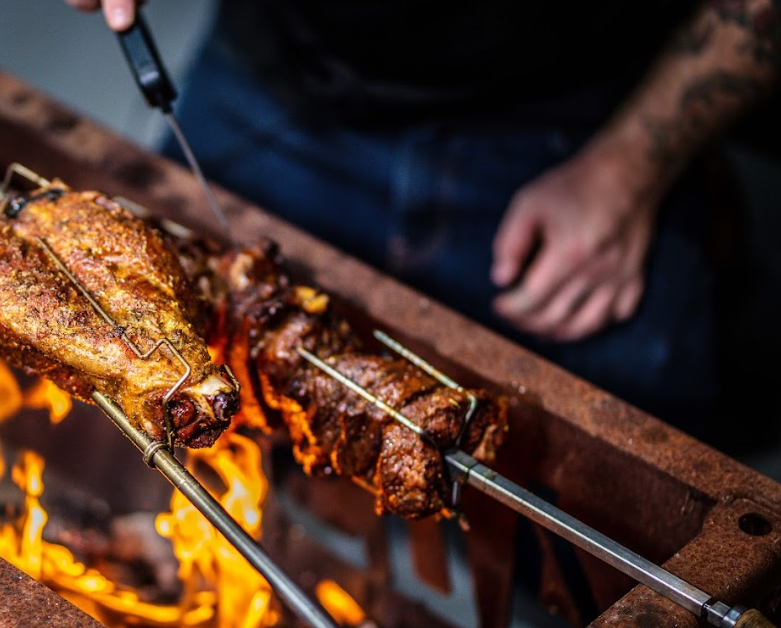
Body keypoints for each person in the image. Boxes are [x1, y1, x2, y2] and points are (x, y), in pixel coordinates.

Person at [65, 0, 779, 434]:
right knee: (142, 363)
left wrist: (632, 164)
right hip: (286, 74)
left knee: (627, 496)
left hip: (585, 110)